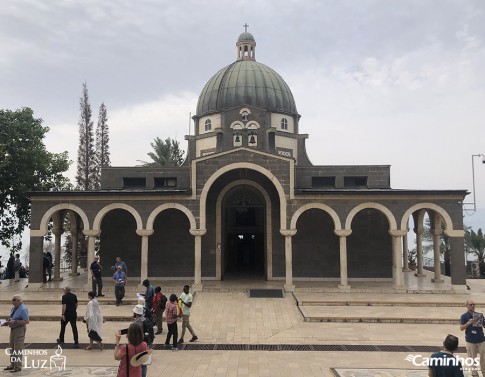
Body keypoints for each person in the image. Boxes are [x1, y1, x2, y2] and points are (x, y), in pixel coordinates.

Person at [1, 295, 29, 373]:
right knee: (12, 348)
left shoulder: (23, 309)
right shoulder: (13, 308)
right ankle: (12, 364)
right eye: (12, 299)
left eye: (14, 300)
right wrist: (6, 322)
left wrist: (15, 322)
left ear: (18, 301)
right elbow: (11, 318)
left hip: (19, 330)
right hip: (13, 329)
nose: (12, 301)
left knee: (18, 349)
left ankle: (18, 366)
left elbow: (26, 321)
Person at [460, 299, 485, 376]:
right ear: (467, 306)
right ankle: (474, 374)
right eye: (471, 304)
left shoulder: (479, 315)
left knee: (483, 358)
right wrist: (468, 323)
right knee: (472, 358)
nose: (473, 306)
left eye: (473, 304)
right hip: (470, 340)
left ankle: (484, 372)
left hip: (481, 339)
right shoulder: (464, 316)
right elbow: (461, 328)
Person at [132, 304, 154, 377]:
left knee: (138, 364)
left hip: (139, 345)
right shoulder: (146, 320)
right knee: (144, 363)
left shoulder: (136, 323)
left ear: (136, 313)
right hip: (146, 344)